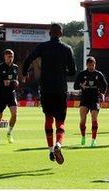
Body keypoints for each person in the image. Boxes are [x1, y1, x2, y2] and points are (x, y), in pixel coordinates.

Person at [21, 23, 76, 165]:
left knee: (48, 118)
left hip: (46, 89)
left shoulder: (42, 47)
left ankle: (51, 149)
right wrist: (62, 71)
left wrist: (24, 73)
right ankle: (59, 144)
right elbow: (72, 71)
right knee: (60, 122)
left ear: (49, 33)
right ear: (61, 34)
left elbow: (28, 59)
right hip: (60, 89)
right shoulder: (67, 49)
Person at [74, 57, 107, 147]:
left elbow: (105, 85)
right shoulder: (82, 74)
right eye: (89, 65)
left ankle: (93, 140)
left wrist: (103, 93)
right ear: (86, 65)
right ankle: (83, 137)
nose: (91, 67)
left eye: (92, 65)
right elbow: (75, 86)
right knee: (83, 120)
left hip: (94, 99)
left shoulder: (98, 74)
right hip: (84, 99)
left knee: (94, 117)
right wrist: (81, 85)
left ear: (95, 64)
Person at [0, 49, 20, 144]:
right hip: (1, 95)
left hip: (11, 94)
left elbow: (15, 79)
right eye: (8, 56)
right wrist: (2, 82)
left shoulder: (15, 67)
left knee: (15, 114)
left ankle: (9, 133)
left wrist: (16, 82)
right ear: (5, 57)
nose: (10, 58)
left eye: (11, 56)